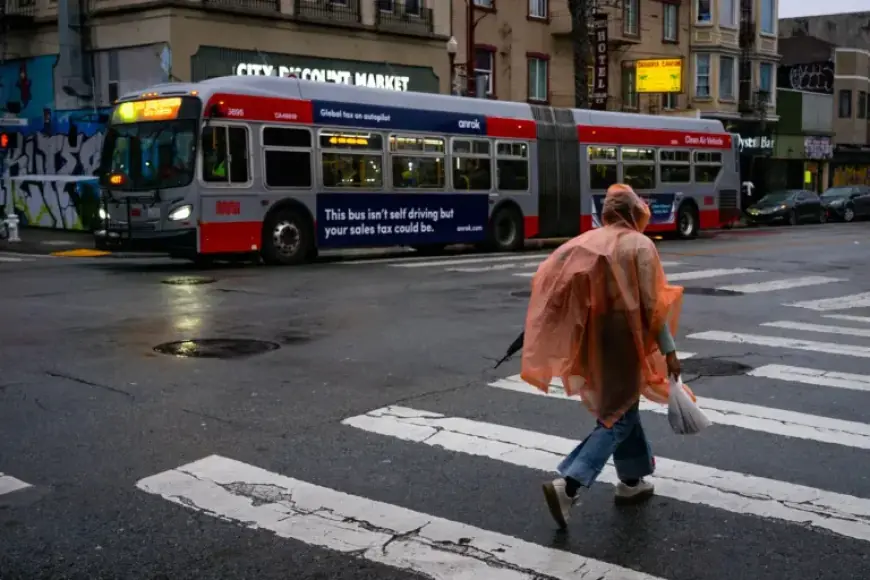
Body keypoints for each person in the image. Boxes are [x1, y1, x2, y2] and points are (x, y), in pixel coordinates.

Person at [520, 183, 684, 530]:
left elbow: (555, 287)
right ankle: (570, 484)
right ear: (633, 211)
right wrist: (669, 352)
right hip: (627, 340)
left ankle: (631, 481)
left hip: (595, 337)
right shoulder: (640, 246)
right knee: (618, 415)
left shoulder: (585, 243)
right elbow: (654, 306)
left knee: (623, 406)